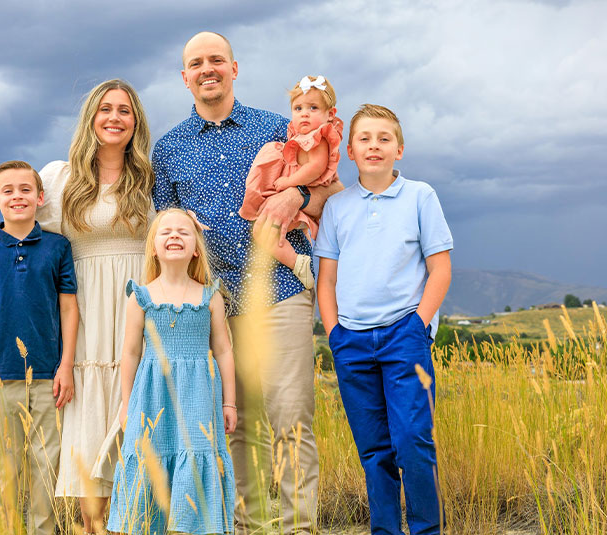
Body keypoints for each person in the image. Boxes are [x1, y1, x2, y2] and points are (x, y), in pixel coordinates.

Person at [152, 31, 341, 535]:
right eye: (196, 63)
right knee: (238, 428)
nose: (207, 69)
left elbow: (332, 191)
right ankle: (253, 528)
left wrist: (297, 195)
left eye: (217, 60)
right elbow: (161, 227)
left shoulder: (279, 128)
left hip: (279, 293)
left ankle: (299, 530)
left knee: (291, 423)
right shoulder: (169, 150)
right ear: (185, 76)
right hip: (214, 306)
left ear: (235, 69)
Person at [315, 104, 453, 535]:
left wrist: (418, 324)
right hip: (351, 341)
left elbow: (441, 268)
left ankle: (427, 529)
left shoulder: (420, 196)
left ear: (400, 148)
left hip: (403, 336)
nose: (374, 145)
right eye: (364, 139)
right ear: (350, 151)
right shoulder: (338, 207)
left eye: (384, 138)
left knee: (413, 442)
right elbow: (327, 280)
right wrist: (334, 333)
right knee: (374, 450)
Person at [35, 79, 156, 532]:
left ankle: (142, 518)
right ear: (91, 118)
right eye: (106, 109)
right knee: (89, 415)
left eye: (125, 111)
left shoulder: (150, 178)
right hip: (83, 307)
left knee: (136, 406)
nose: (115, 118)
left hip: (139, 303)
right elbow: (19, 238)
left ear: (135, 123)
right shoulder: (60, 177)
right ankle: (94, 527)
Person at [0, 160, 78, 535]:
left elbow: (68, 307)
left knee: (47, 466)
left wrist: (66, 366)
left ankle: (42, 530)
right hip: (2, 376)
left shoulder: (58, 247)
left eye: (26, 189)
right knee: (6, 465)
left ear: (40, 197)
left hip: (49, 375)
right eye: (8, 191)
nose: (18, 196)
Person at [106, 208, 236, 535]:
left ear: (196, 248)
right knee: (151, 458)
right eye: (165, 232)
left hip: (198, 396)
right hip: (152, 394)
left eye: (183, 231)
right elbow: (131, 352)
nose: (174, 235)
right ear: (153, 247)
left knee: (194, 456)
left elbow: (222, 350)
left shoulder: (210, 295)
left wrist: (229, 403)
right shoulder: (141, 296)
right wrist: (126, 403)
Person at [239, 75, 344, 290]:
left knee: (263, 231)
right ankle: (297, 262)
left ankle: (297, 263)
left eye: (313, 108)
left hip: (302, 196)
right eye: (298, 109)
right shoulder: (298, 136)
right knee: (262, 231)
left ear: (330, 115)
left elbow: (315, 167)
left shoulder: (319, 137)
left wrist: (289, 182)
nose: (304, 113)